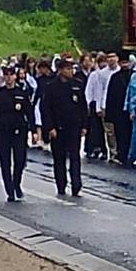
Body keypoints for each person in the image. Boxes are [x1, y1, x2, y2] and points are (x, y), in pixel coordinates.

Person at [41, 58, 88, 196]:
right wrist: (50, 127)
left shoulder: (77, 85)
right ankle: (61, 185)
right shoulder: (51, 87)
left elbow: (83, 107)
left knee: (75, 157)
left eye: (71, 68)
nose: (70, 71)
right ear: (60, 70)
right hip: (58, 127)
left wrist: (84, 125)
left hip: (74, 126)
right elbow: (46, 109)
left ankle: (76, 184)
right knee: (59, 158)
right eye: (67, 69)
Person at [0, 66, 33, 201]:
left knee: (20, 160)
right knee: (5, 162)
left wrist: (34, 130)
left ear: (15, 77)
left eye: (11, 75)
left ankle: (16, 183)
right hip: (3, 131)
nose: (8, 78)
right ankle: (9, 190)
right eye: (6, 75)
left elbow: (29, 112)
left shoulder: (22, 93)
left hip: (19, 130)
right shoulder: (0, 93)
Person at [106, 54, 134, 166]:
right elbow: (110, 96)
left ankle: (129, 154)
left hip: (131, 110)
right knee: (120, 133)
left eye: (126, 62)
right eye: (123, 63)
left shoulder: (134, 75)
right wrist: (109, 114)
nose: (125, 65)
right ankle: (121, 154)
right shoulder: (115, 77)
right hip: (118, 110)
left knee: (131, 133)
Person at [84, 53, 113, 159]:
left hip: (105, 104)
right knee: (95, 129)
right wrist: (89, 102)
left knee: (106, 129)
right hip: (95, 103)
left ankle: (105, 149)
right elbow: (89, 89)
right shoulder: (94, 75)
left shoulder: (109, 74)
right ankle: (95, 148)